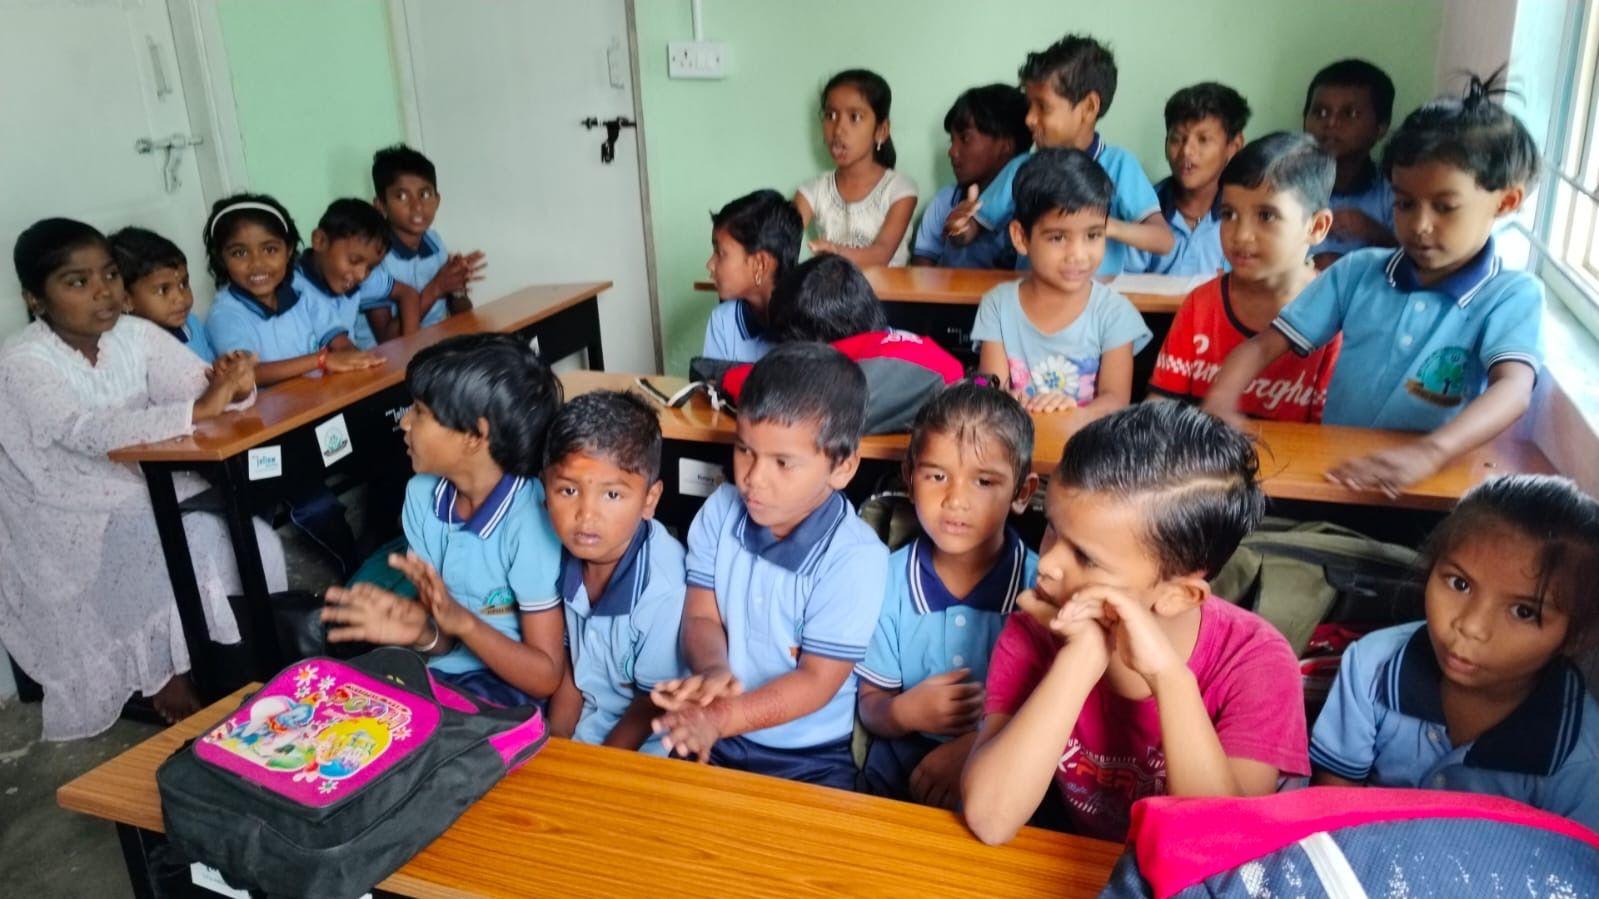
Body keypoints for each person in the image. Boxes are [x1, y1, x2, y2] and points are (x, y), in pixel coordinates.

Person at [0, 218, 283, 738]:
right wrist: (200, 407)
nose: (103, 292)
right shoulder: (20, 362)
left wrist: (229, 379)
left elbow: (194, 386)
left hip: (140, 484)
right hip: (62, 511)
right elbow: (83, 431)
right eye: (77, 281)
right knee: (189, 538)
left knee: (254, 537)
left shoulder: (132, 333)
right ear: (34, 298)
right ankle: (162, 672)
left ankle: (249, 663)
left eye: (109, 275)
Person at [1310, 475, 1598, 831]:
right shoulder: (1371, 667)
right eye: (1459, 584)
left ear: (1574, 637)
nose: (1471, 626)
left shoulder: (1581, 759)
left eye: (1524, 611)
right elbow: (1332, 809)